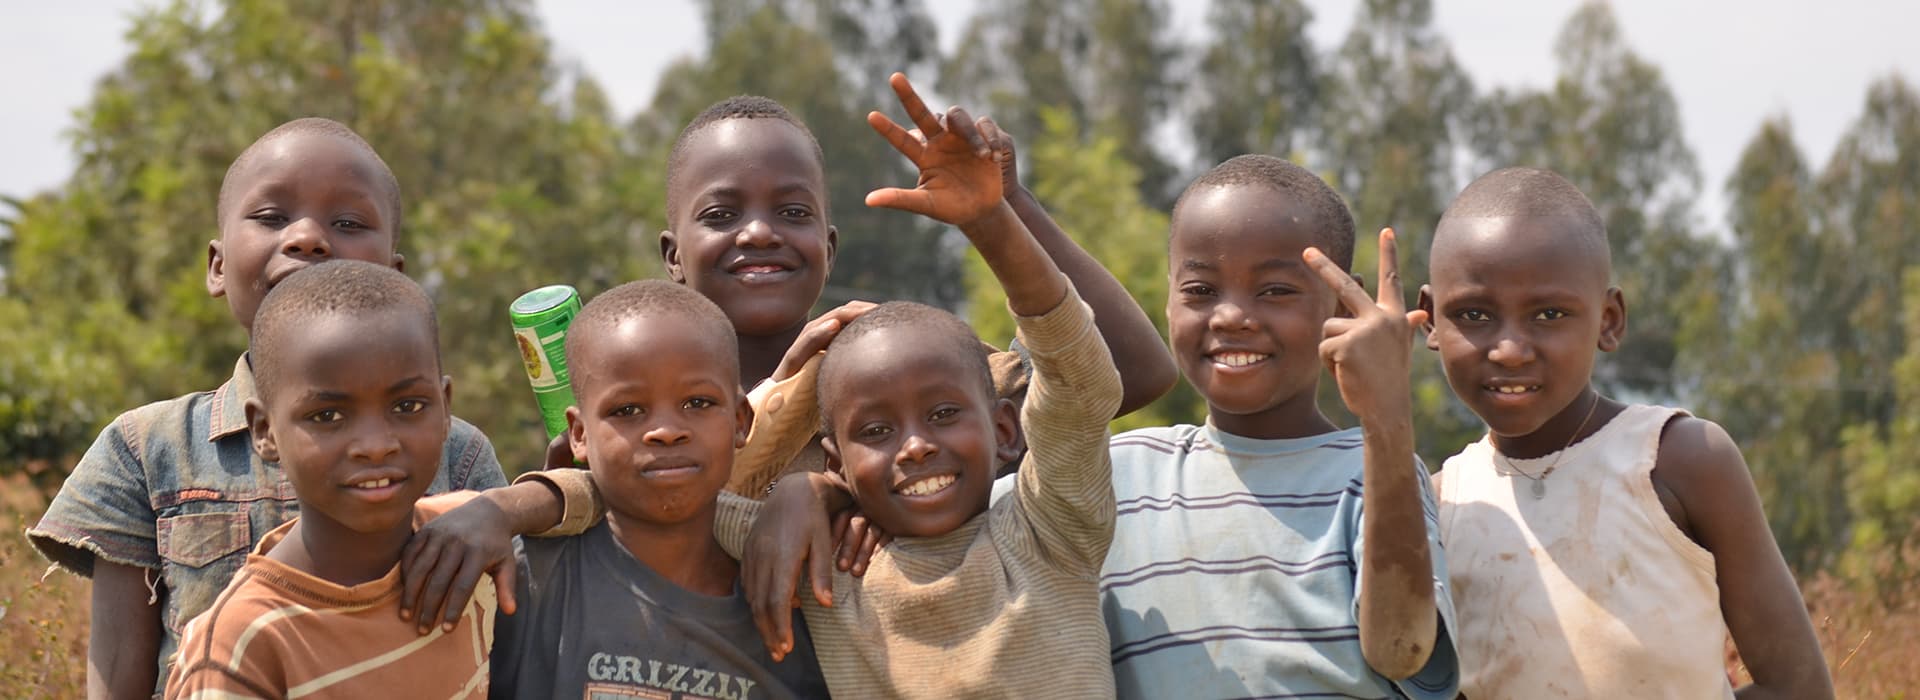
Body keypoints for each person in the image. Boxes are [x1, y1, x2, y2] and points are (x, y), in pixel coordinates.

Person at [26, 118, 508, 698]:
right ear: (218, 265)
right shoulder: (146, 448)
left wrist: (522, 506)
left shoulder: (457, 449)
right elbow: (120, 670)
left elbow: (504, 638)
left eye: (349, 223)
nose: (307, 237)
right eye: (272, 218)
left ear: (392, 279)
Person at [1420, 166, 1833, 698]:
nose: (1510, 349)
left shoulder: (1678, 461)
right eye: (1474, 314)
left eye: (1548, 314)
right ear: (1430, 320)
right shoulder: (1442, 505)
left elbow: (1797, 689)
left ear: (1609, 320)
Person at [1094, 154, 1460, 699]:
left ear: (1343, 304)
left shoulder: (1371, 478)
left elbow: (1400, 650)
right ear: (1168, 300)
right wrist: (1001, 213)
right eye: (1199, 290)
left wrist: (1387, 416)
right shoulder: (1118, 477)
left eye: (1274, 291)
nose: (1231, 316)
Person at [166, 261, 495, 698]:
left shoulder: (471, 536)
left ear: (445, 407)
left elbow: (596, 496)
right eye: (327, 416)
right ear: (265, 431)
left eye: (409, 406)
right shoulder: (242, 643)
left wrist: (522, 505)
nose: (376, 445)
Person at [487, 279, 829, 699]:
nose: (666, 432)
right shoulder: (524, 581)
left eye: (698, 403)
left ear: (741, 420)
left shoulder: (803, 593)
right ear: (579, 434)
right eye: (627, 410)